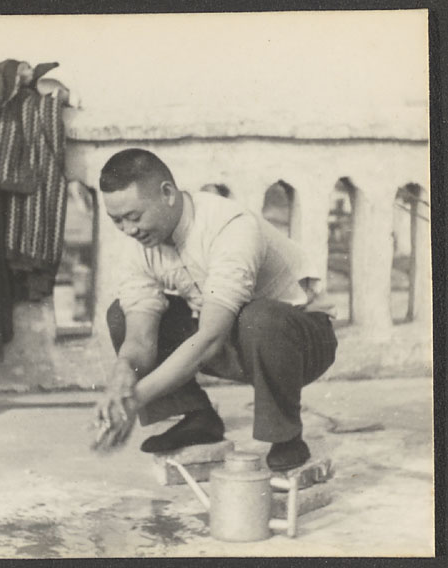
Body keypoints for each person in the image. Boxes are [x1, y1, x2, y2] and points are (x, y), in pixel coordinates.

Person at [91, 149, 337, 471]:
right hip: (232, 341)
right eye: (117, 220)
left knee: (259, 318)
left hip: (299, 342)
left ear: (167, 193)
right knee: (121, 313)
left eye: (134, 217)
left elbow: (210, 337)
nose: (128, 230)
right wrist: (122, 377)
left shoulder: (229, 226)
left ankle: (287, 437)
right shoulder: (141, 248)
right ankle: (198, 419)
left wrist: (135, 398)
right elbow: (140, 338)